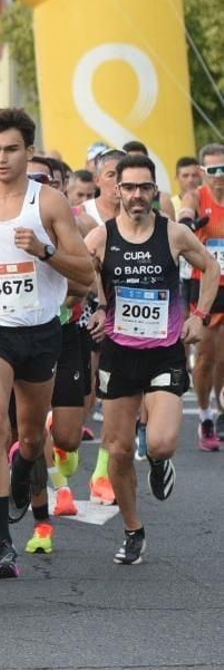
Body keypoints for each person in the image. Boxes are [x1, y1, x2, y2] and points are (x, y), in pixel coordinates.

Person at [0, 108, 95, 580]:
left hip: (40, 332)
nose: (1, 158)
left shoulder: (48, 202)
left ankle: (23, 470)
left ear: (28, 151)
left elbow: (86, 272)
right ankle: (0, 543)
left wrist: (44, 251)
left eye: (11, 149)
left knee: (31, 437)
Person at [87, 154, 218, 564]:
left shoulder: (173, 233)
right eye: (129, 187)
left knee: (160, 443)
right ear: (117, 191)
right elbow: (80, 275)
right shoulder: (101, 237)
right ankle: (133, 531)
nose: (137, 195)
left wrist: (200, 316)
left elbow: (211, 268)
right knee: (119, 450)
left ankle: (161, 463)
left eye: (144, 187)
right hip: (118, 354)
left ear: (154, 190)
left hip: (164, 353)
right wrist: (96, 306)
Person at [180, 142, 224, 449]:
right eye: (213, 170)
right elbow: (185, 211)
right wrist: (188, 223)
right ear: (202, 171)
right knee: (207, 356)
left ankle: (220, 411)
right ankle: (205, 415)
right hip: (207, 285)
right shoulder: (196, 196)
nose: (219, 175)